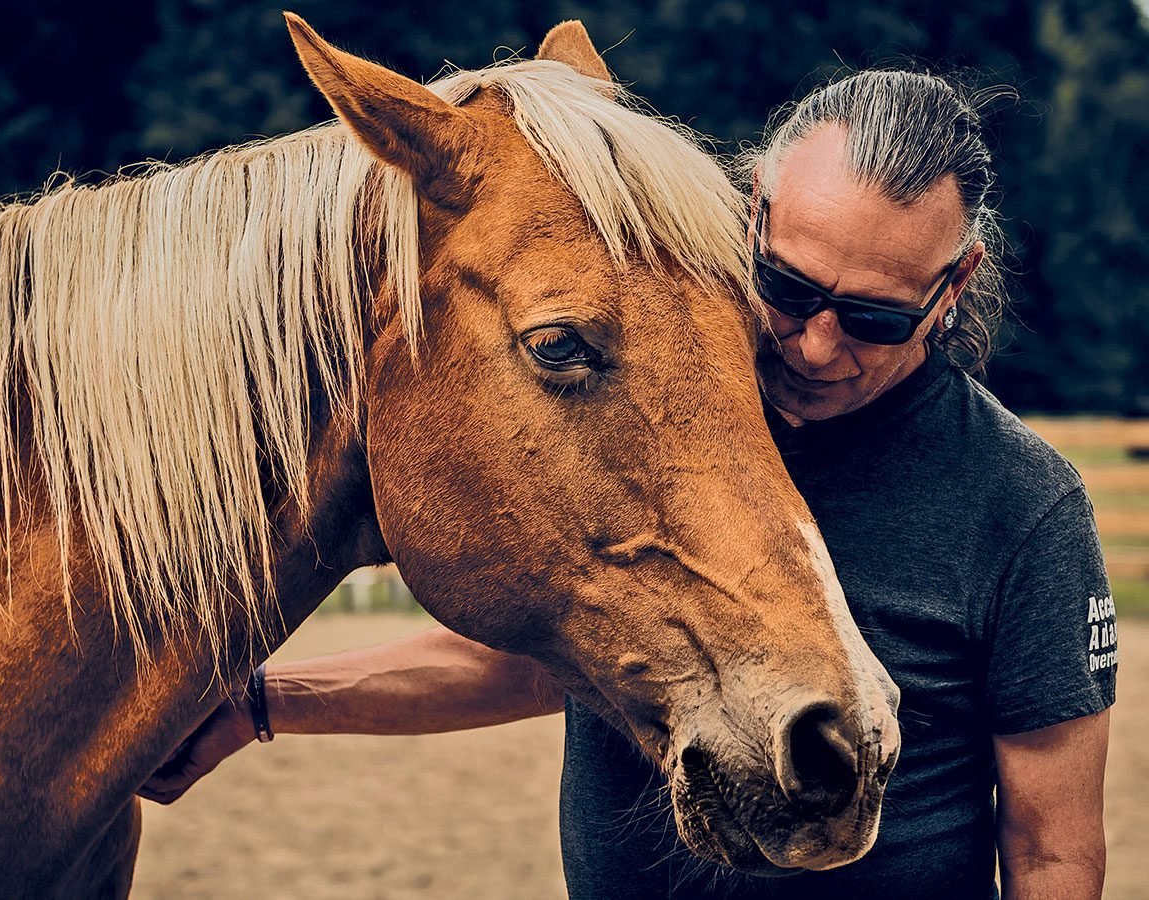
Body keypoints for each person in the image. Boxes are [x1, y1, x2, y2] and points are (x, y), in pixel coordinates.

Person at [140, 70, 1116, 898]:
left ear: (954, 285)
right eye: (786, 288)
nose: (816, 347)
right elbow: (569, 645)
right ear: (749, 215)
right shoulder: (665, 404)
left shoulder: (1023, 505)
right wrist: (266, 703)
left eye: (875, 318)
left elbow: (1053, 847)